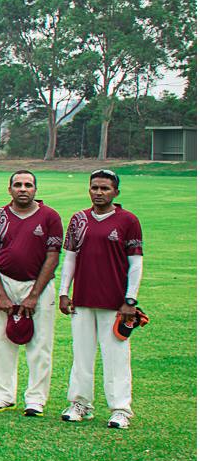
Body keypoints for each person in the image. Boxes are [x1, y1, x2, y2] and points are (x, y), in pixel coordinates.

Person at [58, 170, 146, 429]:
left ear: (116, 192)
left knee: (116, 356)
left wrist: (130, 299)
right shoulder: (79, 220)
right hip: (82, 299)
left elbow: (136, 263)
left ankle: (120, 409)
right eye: (95, 188)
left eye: (105, 188)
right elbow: (70, 258)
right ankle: (80, 403)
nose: (99, 192)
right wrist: (64, 292)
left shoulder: (128, 220)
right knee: (81, 354)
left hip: (114, 302)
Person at [0, 170, 63, 415]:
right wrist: (1, 294)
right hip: (3, 282)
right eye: (18, 185)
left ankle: (36, 399)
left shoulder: (49, 217)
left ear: (35, 189)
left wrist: (34, 295)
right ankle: (2, 395)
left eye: (28, 185)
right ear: (10, 189)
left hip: (39, 285)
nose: (23, 189)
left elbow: (53, 256)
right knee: (0, 341)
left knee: (40, 344)